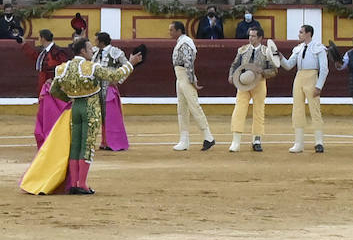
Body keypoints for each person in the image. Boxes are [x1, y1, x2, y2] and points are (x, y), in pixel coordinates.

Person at [20, 37, 142, 196]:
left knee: (75, 145)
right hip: (90, 108)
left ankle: (74, 183)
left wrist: (69, 98)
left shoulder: (62, 69)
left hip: (75, 108)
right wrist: (131, 64)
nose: (92, 52)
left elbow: (54, 91)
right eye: (90, 49)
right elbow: (116, 76)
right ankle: (82, 184)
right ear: (83, 51)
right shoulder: (91, 67)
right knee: (87, 145)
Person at [225, 26, 280, 153]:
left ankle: (257, 140)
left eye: (253, 36)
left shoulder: (267, 52)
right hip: (243, 84)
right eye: (250, 35)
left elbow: (274, 70)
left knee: (259, 111)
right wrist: (231, 75)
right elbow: (234, 65)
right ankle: (236, 141)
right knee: (239, 109)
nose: (250, 38)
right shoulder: (242, 50)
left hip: (259, 83)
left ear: (260, 38)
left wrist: (263, 72)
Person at [281, 24, 328, 154]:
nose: (299, 34)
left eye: (301, 32)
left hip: (312, 76)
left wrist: (319, 86)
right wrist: (279, 58)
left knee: (315, 109)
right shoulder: (298, 48)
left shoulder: (319, 48)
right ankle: (299, 143)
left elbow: (324, 69)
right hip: (299, 77)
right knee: (297, 109)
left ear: (308, 33)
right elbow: (289, 65)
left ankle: (319, 142)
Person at [168, 21, 214, 151]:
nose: (170, 32)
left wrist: (192, 79)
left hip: (185, 78)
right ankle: (184, 140)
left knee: (194, 106)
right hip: (180, 78)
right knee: (182, 109)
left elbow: (188, 63)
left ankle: (208, 137)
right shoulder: (182, 42)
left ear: (179, 31)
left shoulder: (185, 43)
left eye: (171, 30)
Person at [23, 29, 70, 147]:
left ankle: (55, 135)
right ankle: (49, 135)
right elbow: (35, 56)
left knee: (53, 111)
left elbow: (64, 68)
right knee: (46, 111)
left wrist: (54, 78)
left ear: (43, 38)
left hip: (54, 87)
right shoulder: (45, 52)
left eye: (39, 37)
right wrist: (24, 45)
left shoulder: (58, 52)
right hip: (44, 86)